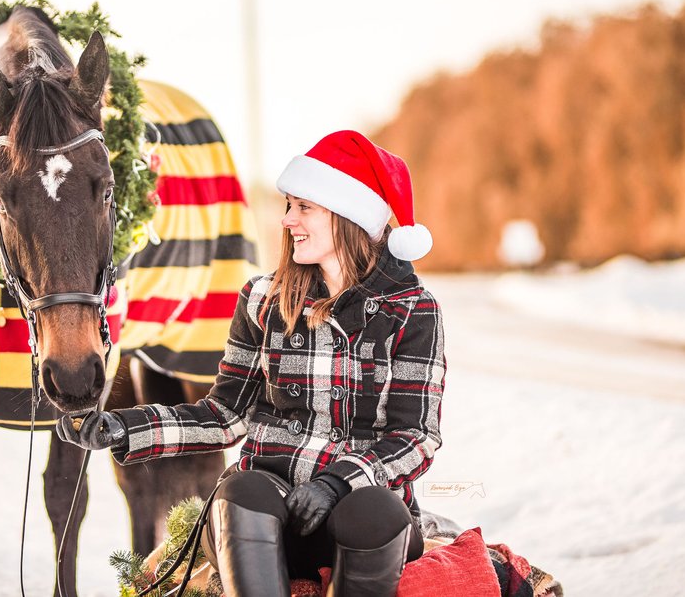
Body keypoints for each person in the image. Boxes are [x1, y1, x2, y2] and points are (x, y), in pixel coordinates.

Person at [58, 130, 446, 597]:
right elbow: (225, 415)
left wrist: (336, 483)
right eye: (288, 205)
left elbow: (416, 437)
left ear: (346, 215)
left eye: (304, 207)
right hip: (270, 516)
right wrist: (126, 428)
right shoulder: (263, 300)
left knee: (378, 510)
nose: (287, 220)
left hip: (359, 517)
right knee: (241, 492)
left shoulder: (412, 311)